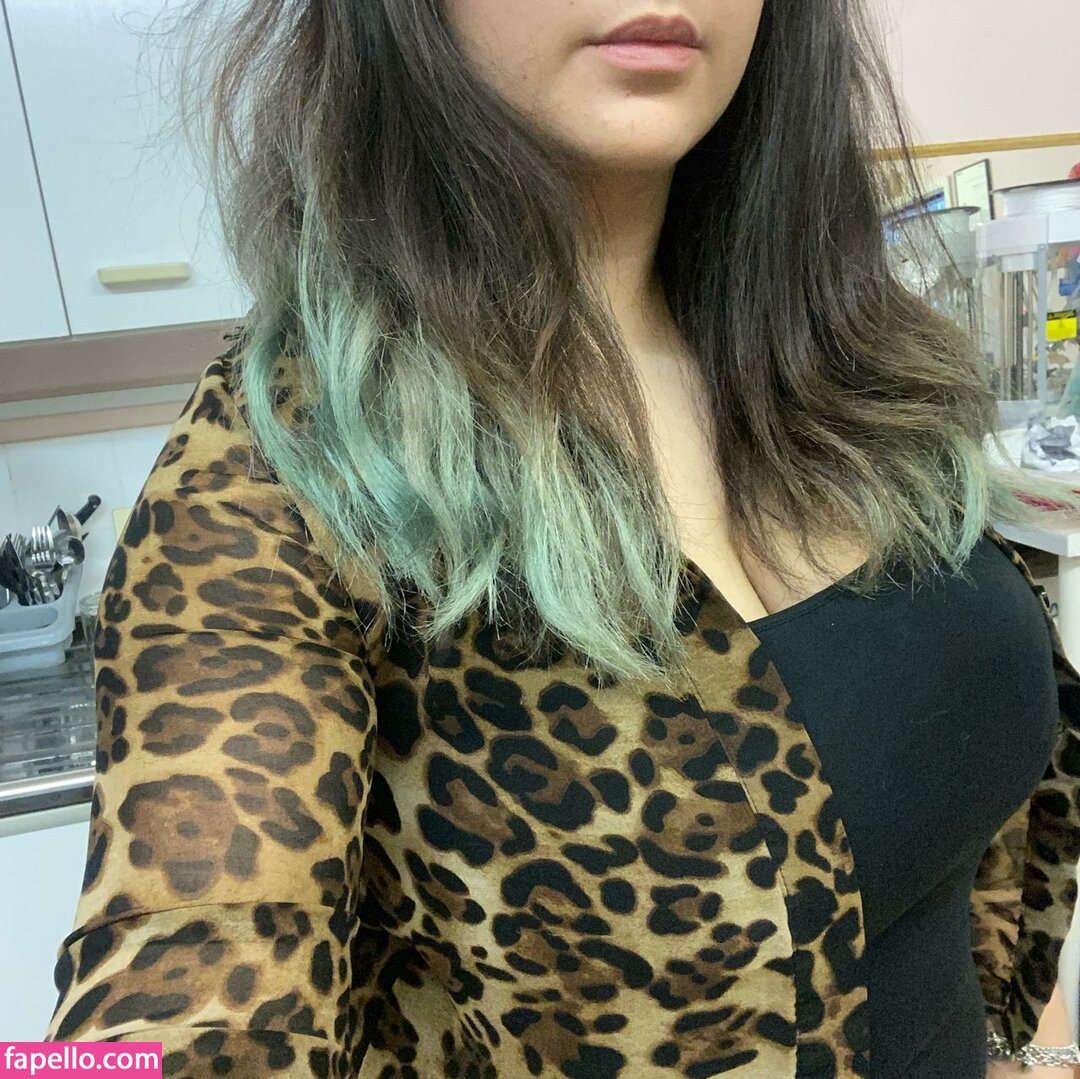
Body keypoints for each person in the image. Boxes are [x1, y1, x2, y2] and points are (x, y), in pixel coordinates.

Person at [41, 1, 1080, 1076]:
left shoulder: (853, 357)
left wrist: (1034, 1052)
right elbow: (182, 1000)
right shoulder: (283, 469)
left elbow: (955, 840)